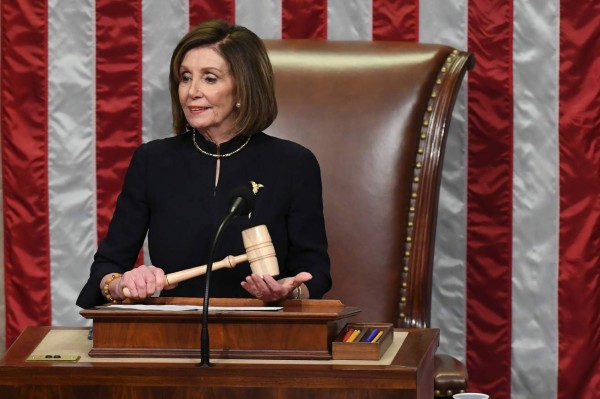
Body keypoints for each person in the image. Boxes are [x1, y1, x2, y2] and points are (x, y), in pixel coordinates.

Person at [76, 20, 331, 308]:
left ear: (243, 88)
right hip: (172, 332)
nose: (191, 91)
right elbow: (107, 267)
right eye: (185, 77)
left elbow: (315, 272)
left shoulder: (294, 164)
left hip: (262, 330)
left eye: (209, 78)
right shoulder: (152, 161)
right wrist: (122, 283)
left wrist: (289, 290)